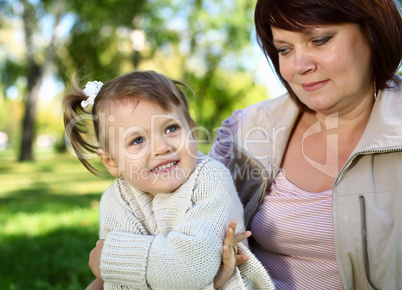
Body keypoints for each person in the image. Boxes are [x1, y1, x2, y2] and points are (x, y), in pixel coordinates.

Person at [210, 0, 402, 289]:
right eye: (285, 49)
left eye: (319, 40)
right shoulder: (243, 132)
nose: (299, 66)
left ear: (373, 33)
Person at [62, 70, 274, 289]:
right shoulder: (118, 199)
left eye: (171, 128)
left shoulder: (210, 179)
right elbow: (121, 284)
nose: (162, 147)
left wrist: (111, 260)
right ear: (112, 162)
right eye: (137, 140)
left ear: (191, 131)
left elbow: (192, 267)